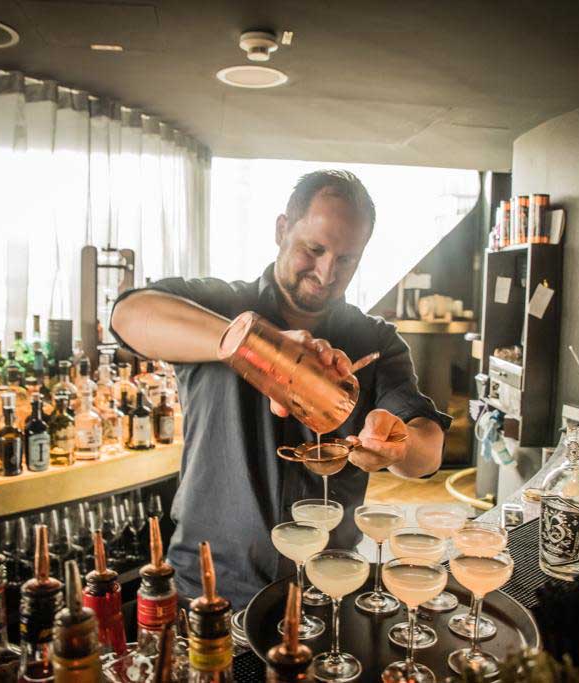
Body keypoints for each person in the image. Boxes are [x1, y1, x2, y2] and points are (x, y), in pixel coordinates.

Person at [110, 170, 450, 608]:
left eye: (346, 260)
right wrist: (261, 346)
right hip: (209, 586)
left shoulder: (374, 341)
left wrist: (398, 447)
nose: (326, 273)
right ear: (282, 229)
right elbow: (127, 315)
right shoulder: (220, 304)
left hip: (326, 588)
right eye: (315, 249)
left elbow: (428, 451)